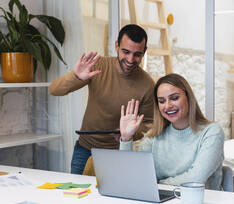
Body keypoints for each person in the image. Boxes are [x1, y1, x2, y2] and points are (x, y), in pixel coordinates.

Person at [49, 24, 155, 175]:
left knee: (114, 198)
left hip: (118, 153)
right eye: (126, 52)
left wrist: (130, 133)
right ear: (117, 46)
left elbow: (148, 124)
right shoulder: (98, 66)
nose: (131, 59)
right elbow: (54, 90)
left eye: (137, 54)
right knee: (76, 196)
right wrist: (76, 76)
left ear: (144, 51)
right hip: (85, 150)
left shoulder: (147, 84)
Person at [119, 73, 224, 190]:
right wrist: (126, 138)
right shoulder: (154, 136)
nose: (167, 106)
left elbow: (196, 179)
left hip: (200, 203)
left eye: (174, 98)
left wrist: (158, 185)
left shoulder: (212, 132)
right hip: (163, 203)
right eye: (162, 101)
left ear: (188, 98)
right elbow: (131, 174)